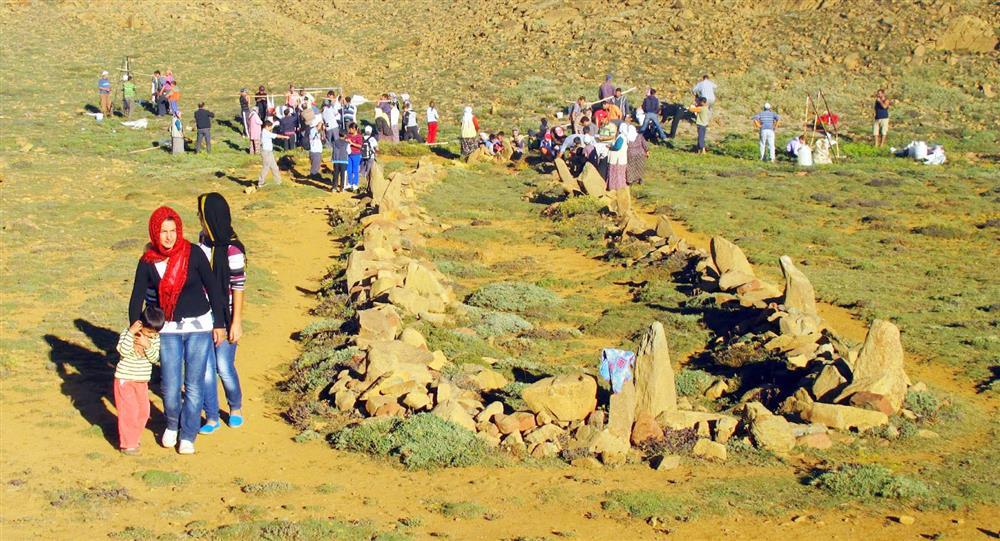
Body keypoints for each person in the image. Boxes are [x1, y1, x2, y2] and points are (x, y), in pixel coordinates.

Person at [128, 206, 227, 455]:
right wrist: (136, 331)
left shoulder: (193, 253)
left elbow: (213, 288)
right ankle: (172, 424)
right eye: (163, 231)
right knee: (170, 385)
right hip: (167, 329)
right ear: (154, 233)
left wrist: (220, 324)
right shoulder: (148, 262)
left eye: (173, 230)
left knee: (193, 385)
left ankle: (188, 434)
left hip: (199, 327)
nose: (169, 236)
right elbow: (136, 297)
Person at [196, 193, 246, 435]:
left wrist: (236, 322)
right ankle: (212, 416)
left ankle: (235, 408)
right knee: (205, 369)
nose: (198, 219)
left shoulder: (233, 250)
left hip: (225, 318)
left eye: (201, 215)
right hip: (203, 317)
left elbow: (238, 287)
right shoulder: (202, 244)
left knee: (224, 366)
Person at [114, 305, 165, 455]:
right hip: (125, 379)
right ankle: (128, 444)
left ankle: (133, 436)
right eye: (149, 332)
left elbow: (156, 358)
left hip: (142, 381)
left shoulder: (154, 339)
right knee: (130, 411)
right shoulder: (127, 334)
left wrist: (147, 345)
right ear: (141, 325)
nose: (152, 335)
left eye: (155, 333)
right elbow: (122, 350)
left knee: (143, 411)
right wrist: (131, 334)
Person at [258, 120, 289, 187]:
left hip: (269, 152)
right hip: (266, 152)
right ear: (266, 126)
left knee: (274, 167)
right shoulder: (265, 132)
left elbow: (271, 129)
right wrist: (285, 137)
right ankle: (261, 182)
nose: (271, 128)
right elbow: (276, 135)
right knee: (266, 167)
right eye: (270, 127)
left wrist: (274, 124)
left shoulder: (266, 130)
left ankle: (278, 182)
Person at [607, 123, 628, 190]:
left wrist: (610, 147)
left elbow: (617, 147)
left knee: (615, 173)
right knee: (621, 174)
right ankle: (621, 187)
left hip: (617, 159)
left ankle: (614, 187)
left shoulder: (621, 137)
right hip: (622, 158)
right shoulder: (625, 136)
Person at [346, 122, 363, 191]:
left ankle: (355, 184)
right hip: (349, 154)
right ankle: (349, 183)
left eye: (350, 129)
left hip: (356, 155)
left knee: (355, 170)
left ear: (354, 129)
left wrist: (352, 143)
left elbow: (360, 146)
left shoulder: (359, 136)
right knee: (349, 169)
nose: (349, 131)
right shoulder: (348, 135)